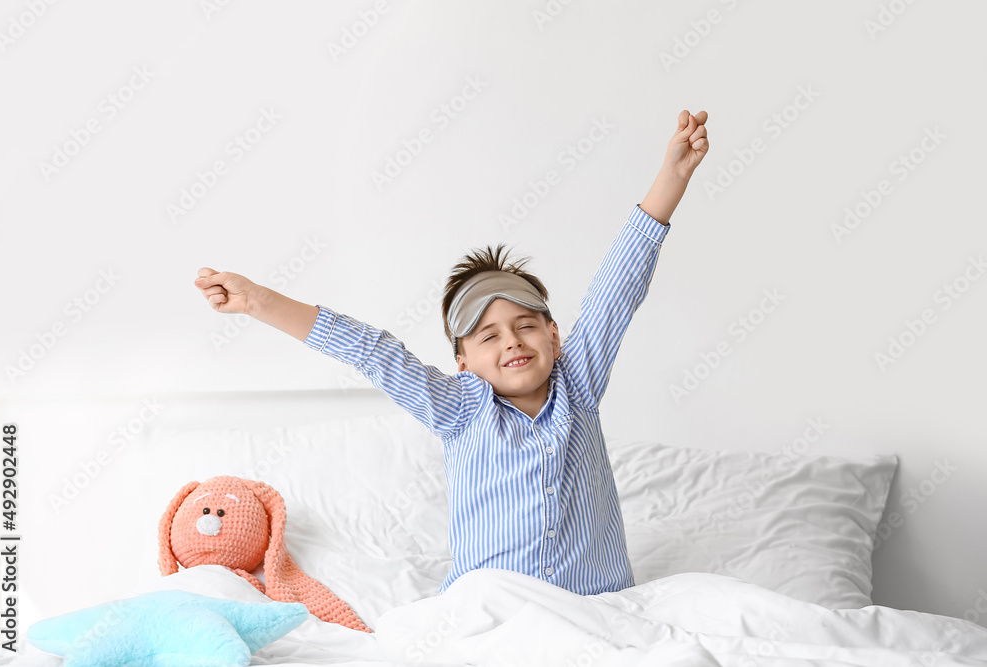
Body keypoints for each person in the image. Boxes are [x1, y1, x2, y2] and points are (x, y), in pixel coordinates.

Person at [194, 109, 709, 595]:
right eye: (488, 336)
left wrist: (673, 178)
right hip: (497, 610)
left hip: (602, 605)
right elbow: (374, 353)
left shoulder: (580, 382)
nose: (511, 340)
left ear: (554, 336)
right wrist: (259, 301)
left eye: (526, 325)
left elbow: (616, 289)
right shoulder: (461, 408)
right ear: (462, 363)